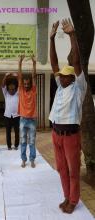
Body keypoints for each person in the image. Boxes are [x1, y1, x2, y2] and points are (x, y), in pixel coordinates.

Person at [49, 19, 87, 213]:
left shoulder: (79, 88)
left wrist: (72, 35)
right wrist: (51, 38)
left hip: (71, 136)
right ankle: (66, 196)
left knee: (73, 171)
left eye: (65, 75)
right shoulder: (60, 87)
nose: (61, 77)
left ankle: (73, 199)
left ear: (72, 77)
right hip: (56, 134)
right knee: (61, 169)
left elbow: (77, 62)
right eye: (61, 75)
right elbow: (54, 62)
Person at [18, 55, 37, 168]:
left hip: (32, 120)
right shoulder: (21, 90)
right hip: (23, 119)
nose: (26, 85)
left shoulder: (33, 90)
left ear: (30, 84)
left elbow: (34, 77)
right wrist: (20, 62)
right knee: (23, 141)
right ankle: (23, 160)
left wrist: (34, 64)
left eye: (27, 84)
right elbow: (20, 76)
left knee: (32, 141)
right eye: (24, 84)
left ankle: (32, 159)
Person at [1, 73, 19, 150]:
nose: (12, 91)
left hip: (16, 116)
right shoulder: (6, 94)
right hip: (7, 116)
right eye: (10, 89)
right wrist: (5, 76)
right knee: (8, 132)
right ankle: (9, 146)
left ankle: (16, 145)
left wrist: (17, 77)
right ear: (8, 89)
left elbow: (20, 84)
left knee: (17, 132)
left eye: (13, 89)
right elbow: (2, 85)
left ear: (15, 89)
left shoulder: (18, 94)